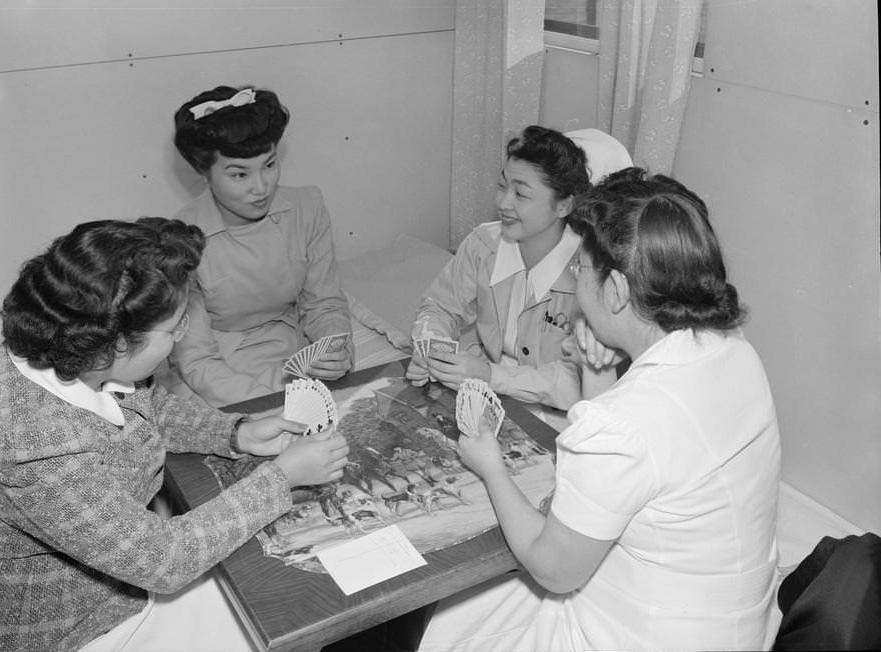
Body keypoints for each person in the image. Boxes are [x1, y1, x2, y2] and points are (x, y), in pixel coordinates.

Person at [417, 168, 782, 651]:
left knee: (455, 619)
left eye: (580, 269)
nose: (574, 279)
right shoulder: (734, 352)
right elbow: (633, 462)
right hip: (730, 626)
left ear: (616, 291)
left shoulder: (621, 424)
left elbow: (554, 570)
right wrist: (597, 370)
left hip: (639, 635)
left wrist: (490, 467)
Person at [0, 218, 349, 651]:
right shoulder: (36, 451)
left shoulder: (78, 348)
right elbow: (164, 560)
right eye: (173, 329)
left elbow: (147, 406)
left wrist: (236, 433)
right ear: (118, 345)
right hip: (80, 625)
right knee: (292, 605)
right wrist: (281, 477)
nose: (183, 336)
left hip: (126, 572)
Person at [406, 125, 630, 411]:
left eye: (521, 194)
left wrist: (490, 375)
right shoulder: (483, 244)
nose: (503, 202)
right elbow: (440, 307)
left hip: (558, 414)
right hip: (487, 394)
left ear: (564, 206)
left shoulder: (590, 275)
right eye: (502, 186)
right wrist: (432, 349)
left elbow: (578, 380)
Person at [167, 84, 353, 408]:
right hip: (215, 372)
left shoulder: (307, 207)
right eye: (239, 175)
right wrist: (268, 405)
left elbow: (323, 303)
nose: (261, 188)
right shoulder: (181, 240)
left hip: (289, 348)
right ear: (204, 173)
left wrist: (334, 346)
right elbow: (196, 358)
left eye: (269, 165)